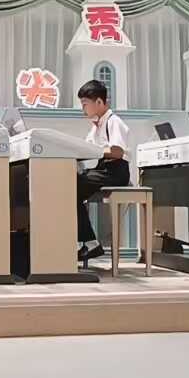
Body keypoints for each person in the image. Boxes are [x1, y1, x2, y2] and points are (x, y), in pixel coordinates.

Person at [76, 80, 131, 261]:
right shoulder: (96, 126)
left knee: (72, 186)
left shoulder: (114, 121)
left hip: (115, 172)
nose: (83, 109)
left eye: (85, 104)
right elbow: (85, 148)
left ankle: (90, 243)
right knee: (70, 185)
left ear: (99, 102)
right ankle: (86, 243)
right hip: (104, 169)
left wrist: (96, 151)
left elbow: (117, 152)